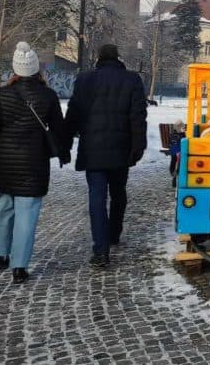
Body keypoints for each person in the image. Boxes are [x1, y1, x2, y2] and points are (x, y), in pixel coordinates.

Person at [0, 42, 70, 284]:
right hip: (34, 164)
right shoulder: (48, 96)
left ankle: (1, 254)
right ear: (36, 69)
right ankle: (20, 266)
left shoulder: (2, 96)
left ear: (15, 70)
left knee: (2, 209)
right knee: (27, 214)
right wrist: (62, 151)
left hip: (3, 162)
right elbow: (60, 131)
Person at [65, 44, 147, 268]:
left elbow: (73, 113)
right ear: (118, 58)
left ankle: (101, 250)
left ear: (99, 58)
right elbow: (138, 117)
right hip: (122, 148)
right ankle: (114, 233)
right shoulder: (132, 80)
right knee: (119, 192)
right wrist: (138, 146)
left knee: (97, 198)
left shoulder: (85, 79)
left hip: (93, 149)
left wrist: (64, 143)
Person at [168, 119, 186, 187]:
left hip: (180, 151)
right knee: (174, 160)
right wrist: (177, 152)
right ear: (178, 128)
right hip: (175, 151)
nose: (184, 129)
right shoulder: (174, 135)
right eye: (183, 128)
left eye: (184, 128)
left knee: (179, 161)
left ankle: (177, 172)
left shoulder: (182, 134)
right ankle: (173, 173)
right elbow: (174, 145)